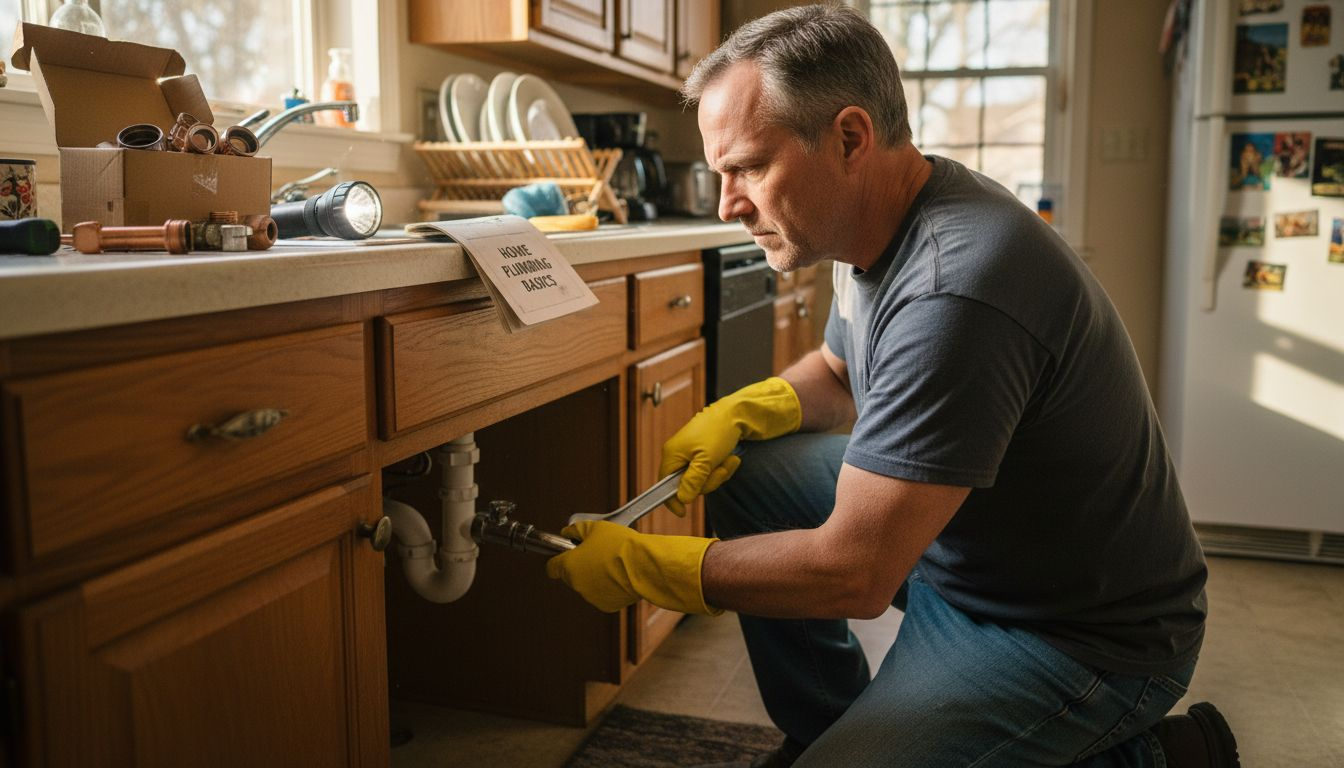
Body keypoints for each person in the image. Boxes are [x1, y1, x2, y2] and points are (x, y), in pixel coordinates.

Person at [547, 6, 1239, 767]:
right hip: (963, 551)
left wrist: (659, 568)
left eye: (747, 166)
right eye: (721, 173)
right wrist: (748, 409)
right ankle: (824, 722)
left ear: (849, 138)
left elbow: (856, 574)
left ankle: (1161, 757)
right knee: (753, 475)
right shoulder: (871, 221)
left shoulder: (958, 287)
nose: (727, 205)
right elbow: (842, 376)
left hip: (1074, 631)